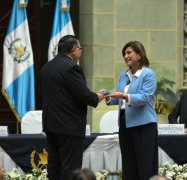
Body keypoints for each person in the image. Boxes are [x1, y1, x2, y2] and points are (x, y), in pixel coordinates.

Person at [40, 35, 104, 180]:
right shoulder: (72, 68)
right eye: (80, 48)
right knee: (71, 170)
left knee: (54, 167)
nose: (81, 52)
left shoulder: (46, 67)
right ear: (74, 50)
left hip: (50, 125)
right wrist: (98, 96)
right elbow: (84, 96)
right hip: (69, 127)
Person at [105, 41, 158, 180]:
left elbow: (144, 98)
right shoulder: (124, 75)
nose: (126, 56)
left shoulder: (148, 74)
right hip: (125, 123)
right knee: (129, 165)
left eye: (129, 53)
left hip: (143, 125)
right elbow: (120, 99)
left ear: (139, 55)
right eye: (124, 54)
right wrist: (108, 96)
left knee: (145, 165)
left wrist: (123, 95)